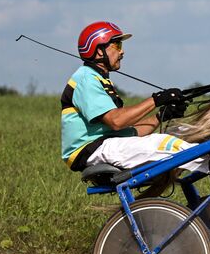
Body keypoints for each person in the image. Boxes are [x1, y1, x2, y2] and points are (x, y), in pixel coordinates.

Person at [59, 21, 198, 177]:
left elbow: (132, 132)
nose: (122, 52)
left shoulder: (99, 80)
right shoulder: (86, 79)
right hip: (89, 150)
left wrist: (162, 116)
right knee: (163, 143)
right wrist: (156, 100)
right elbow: (116, 121)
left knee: (179, 134)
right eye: (117, 45)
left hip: (103, 145)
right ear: (99, 51)